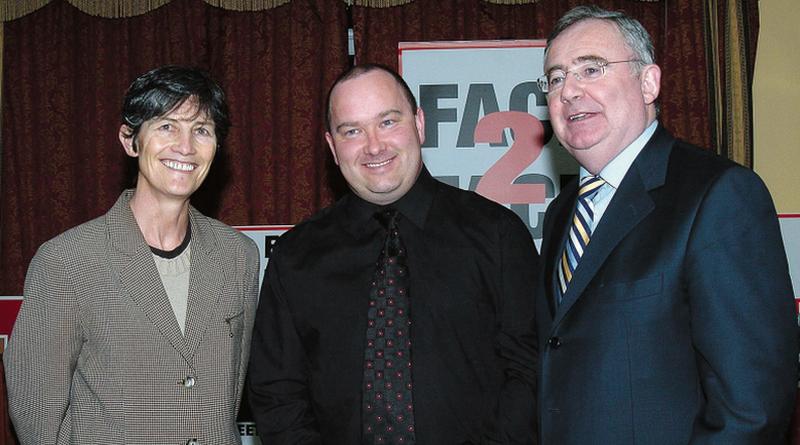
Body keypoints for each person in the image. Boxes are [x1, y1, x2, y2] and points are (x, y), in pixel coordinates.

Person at [535, 5, 797, 444]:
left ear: (649, 82)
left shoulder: (719, 195)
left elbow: (752, 406)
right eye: (556, 77)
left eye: (591, 69)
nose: (569, 91)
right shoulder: (562, 212)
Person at [248, 64, 539, 444]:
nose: (373, 145)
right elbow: (277, 394)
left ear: (419, 124)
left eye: (387, 122)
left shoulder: (498, 235)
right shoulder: (294, 257)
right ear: (333, 148)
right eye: (352, 131)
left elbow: (530, 370)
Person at [4, 65, 260, 445]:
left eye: (201, 130)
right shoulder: (66, 262)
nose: (185, 146)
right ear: (130, 140)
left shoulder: (238, 256)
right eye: (166, 126)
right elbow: (36, 417)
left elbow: (231, 393)